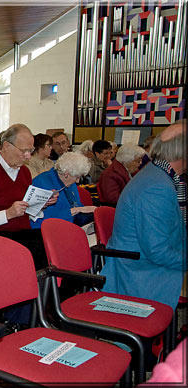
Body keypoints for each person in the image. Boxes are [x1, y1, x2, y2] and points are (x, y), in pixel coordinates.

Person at [100, 121, 186, 309]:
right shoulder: (157, 186)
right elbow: (158, 252)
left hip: (145, 261)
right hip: (141, 272)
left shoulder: (160, 175)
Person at [0, 123, 58, 270]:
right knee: (36, 253)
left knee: (53, 244)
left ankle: (51, 290)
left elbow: (25, 211)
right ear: (6, 146)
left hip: (23, 233)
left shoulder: (24, 172)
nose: (28, 156)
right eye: (23, 151)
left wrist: (40, 204)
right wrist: (7, 214)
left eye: (30, 151)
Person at [30, 152, 95, 229]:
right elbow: (45, 219)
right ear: (66, 174)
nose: (77, 181)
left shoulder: (70, 183)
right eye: (77, 177)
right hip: (46, 231)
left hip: (70, 227)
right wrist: (75, 210)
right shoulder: (41, 183)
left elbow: (77, 205)